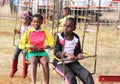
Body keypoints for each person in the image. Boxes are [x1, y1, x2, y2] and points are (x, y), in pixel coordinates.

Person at [53, 17, 94, 84]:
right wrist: (66, 54)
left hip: (73, 63)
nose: (66, 28)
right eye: (65, 26)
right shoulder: (59, 37)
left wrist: (79, 55)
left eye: (69, 27)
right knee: (71, 77)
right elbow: (56, 52)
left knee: (87, 74)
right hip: (60, 63)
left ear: (74, 28)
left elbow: (78, 51)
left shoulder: (76, 38)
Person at [19, 14, 54, 84]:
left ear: (41, 22)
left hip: (42, 51)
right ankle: (33, 82)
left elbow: (52, 42)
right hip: (31, 52)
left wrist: (48, 46)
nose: (36, 23)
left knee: (45, 62)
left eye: (38, 22)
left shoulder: (44, 31)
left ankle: (46, 82)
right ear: (32, 22)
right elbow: (21, 44)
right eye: (34, 21)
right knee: (33, 61)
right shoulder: (28, 31)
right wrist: (29, 46)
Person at [9, 11, 32, 78]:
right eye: (23, 18)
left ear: (29, 19)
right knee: (15, 54)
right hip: (21, 42)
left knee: (25, 54)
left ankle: (25, 71)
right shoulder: (22, 25)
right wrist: (17, 31)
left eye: (25, 18)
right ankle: (14, 69)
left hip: (27, 44)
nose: (23, 20)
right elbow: (21, 32)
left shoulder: (31, 27)